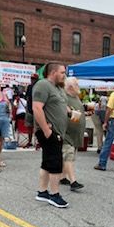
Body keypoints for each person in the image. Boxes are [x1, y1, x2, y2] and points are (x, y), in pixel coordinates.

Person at [32, 62, 69, 208]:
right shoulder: (43, 85)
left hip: (57, 131)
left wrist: (70, 112)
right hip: (49, 132)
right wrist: (47, 132)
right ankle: (54, 194)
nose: (64, 75)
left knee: (47, 162)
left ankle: (42, 192)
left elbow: (60, 105)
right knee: (55, 163)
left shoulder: (58, 88)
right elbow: (36, 108)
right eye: (62, 72)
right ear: (53, 72)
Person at [60, 77, 86, 191]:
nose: (78, 87)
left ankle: (62, 177)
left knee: (69, 157)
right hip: (67, 134)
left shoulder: (75, 97)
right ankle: (73, 181)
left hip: (74, 134)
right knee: (68, 157)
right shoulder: (64, 98)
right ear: (70, 87)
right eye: (77, 85)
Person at [25, 74, 39, 148]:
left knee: (37, 128)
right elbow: (27, 98)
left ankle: (38, 142)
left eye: (34, 79)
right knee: (29, 127)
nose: (32, 80)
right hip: (30, 109)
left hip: (37, 110)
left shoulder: (39, 87)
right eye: (31, 79)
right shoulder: (29, 87)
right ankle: (30, 141)